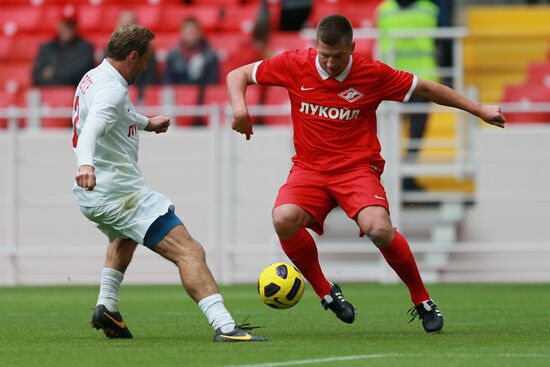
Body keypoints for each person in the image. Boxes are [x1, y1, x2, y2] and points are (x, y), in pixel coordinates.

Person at [226, 15, 505, 333]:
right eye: (324, 55)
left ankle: (422, 300)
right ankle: (326, 293)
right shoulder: (294, 63)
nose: (330, 63)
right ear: (316, 47)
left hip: (356, 169)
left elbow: (426, 89)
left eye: (338, 56)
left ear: (352, 48)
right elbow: (239, 75)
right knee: (283, 219)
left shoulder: (372, 73)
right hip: (309, 169)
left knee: (378, 228)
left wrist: (478, 109)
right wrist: (240, 110)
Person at [71, 24, 265, 343]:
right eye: (146, 59)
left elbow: (113, 114)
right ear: (133, 56)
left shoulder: (94, 77)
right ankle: (226, 327)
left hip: (98, 194)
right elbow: (92, 127)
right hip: (119, 193)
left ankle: (107, 306)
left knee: (125, 236)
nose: (148, 66)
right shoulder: (112, 89)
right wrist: (86, 164)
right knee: (189, 250)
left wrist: (147, 123)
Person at [376, 0, 439, 191]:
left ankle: (406, 176)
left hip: (404, 79)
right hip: (410, 78)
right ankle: (403, 177)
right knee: (409, 133)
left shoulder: (384, 10)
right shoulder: (428, 9)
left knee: (409, 134)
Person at [32, 15, 94, 86]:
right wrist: (68, 71)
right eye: (65, 25)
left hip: (76, 94)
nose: (68, 29)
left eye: (71, 25)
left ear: (76, 26)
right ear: (58, 25)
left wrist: (53, 71)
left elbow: (82, 75)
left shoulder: (85, 48)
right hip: (49, 94)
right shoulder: (46, 48)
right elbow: (36, 77)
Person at [112, 9, 158, 103]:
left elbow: (149, 77)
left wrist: (140, 94)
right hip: (114, 95)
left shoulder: (147, 49)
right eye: (124, 25)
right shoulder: (109, 49)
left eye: (130, 25)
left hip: (140, 98)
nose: (126, 29)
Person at [163, 17, 220, 85]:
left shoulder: (210, 55)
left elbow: (213, 81)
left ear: (200, 33)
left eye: (193, 32)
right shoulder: (174, 55)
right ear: (182, 34)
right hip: (180, 92)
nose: (191, 36)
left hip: (201, 92)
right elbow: (168, 79)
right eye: (188, 33)